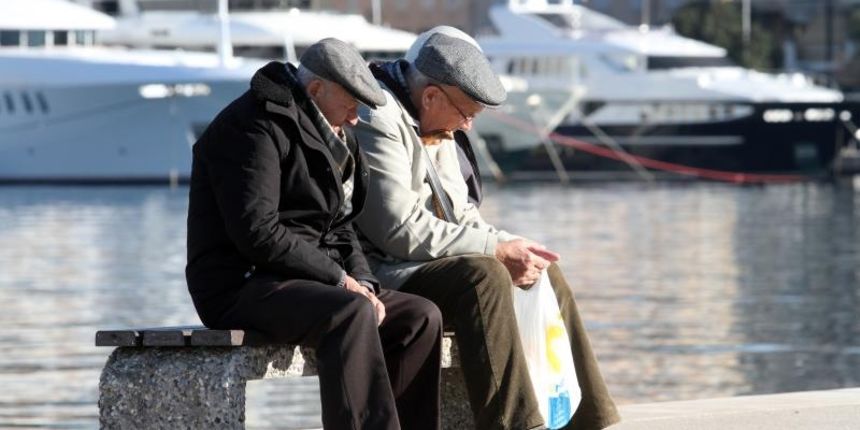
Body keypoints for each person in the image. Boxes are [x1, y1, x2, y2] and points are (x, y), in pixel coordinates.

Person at [353, 30, 620, 430]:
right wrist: (495, 250)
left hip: (423, 260)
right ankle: (517, 425)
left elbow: (460, 213)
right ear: (431, 97)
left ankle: (587, 421)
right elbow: (398, 229)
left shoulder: (435, 119)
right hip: (382, 269)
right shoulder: (377, 118)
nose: (468, 127)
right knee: (484, 275)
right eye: (467, 114)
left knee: (543, 269)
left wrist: (512, 245)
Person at [185, 38, 443, 430]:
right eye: (352, 103)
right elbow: (258, 232)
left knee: (420, 317)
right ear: (317, 89)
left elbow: (341, 224)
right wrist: (340, 280)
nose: (356, 118)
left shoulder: (336, 133)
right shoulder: (252, 126)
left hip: (301, 279)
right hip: (240, 282)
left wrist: (365, 282)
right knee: (350, 312)